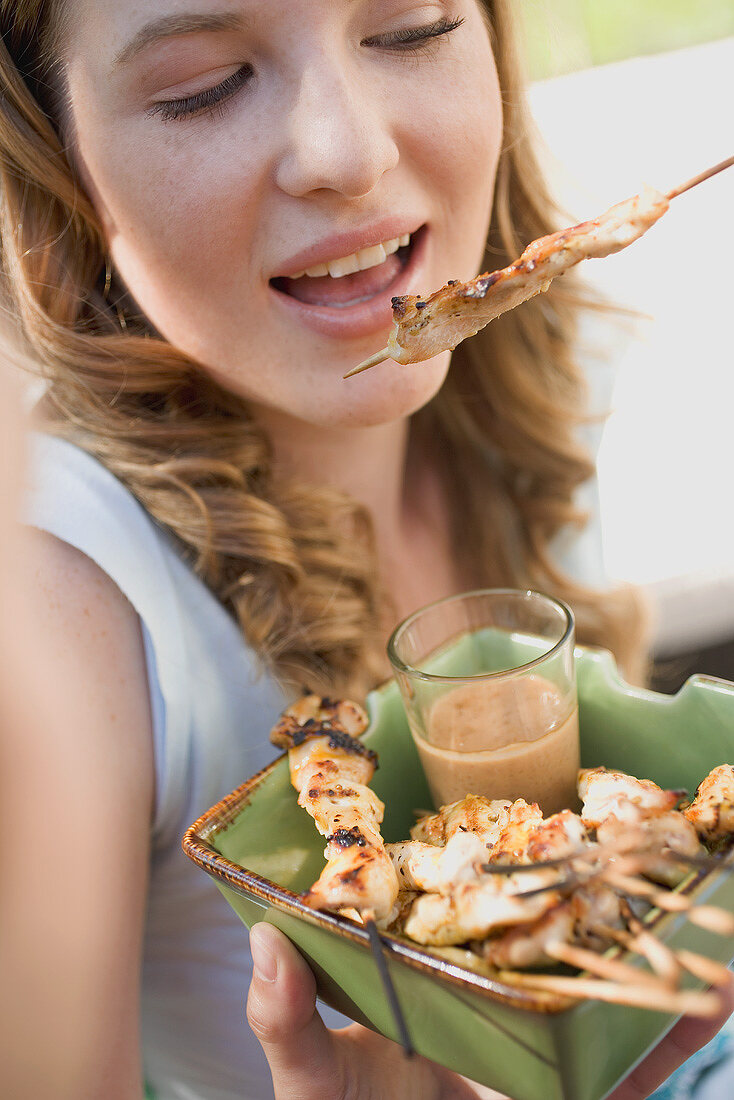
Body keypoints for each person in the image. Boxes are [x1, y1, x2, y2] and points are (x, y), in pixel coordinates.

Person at [0, 1, 730, 1097]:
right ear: (58, 159)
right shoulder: (56, 606)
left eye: (412, 27)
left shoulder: (535, 381)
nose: (348, 151)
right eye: (202, 83)